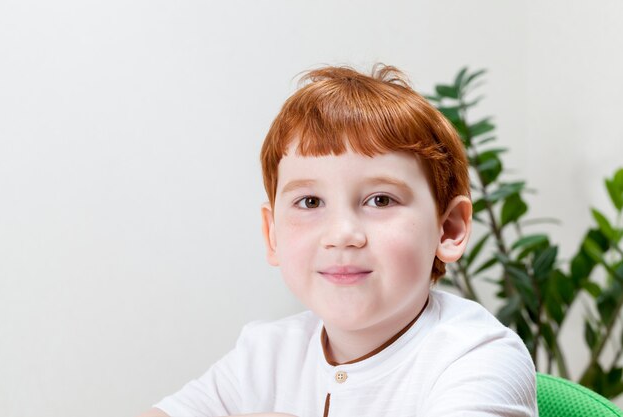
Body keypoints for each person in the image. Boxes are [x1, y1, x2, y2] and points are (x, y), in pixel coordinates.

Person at [138, 65, 537, 417]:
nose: (341, 233)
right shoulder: (265, 353)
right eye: (309, 201)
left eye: (380, 199)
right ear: (272, 233)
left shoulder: (479, 356)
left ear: (448, 229)